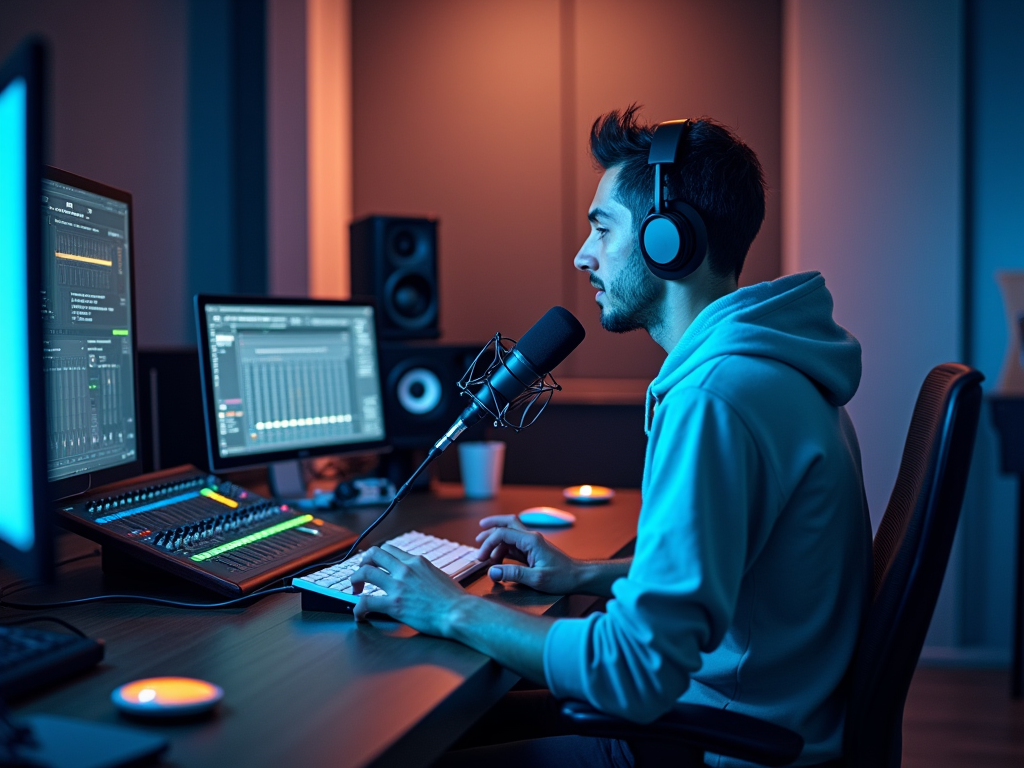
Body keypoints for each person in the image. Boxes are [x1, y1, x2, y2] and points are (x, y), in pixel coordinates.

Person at [349, 106, 871, 768]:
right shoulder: (772, 369)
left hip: (718, 741)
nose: (582, 255)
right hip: (739, 716)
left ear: (667, 241)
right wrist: (585, 574)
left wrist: (449, 608)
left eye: (602, 229)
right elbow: (742, 568)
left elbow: (635, 670)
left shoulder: (717, 397)